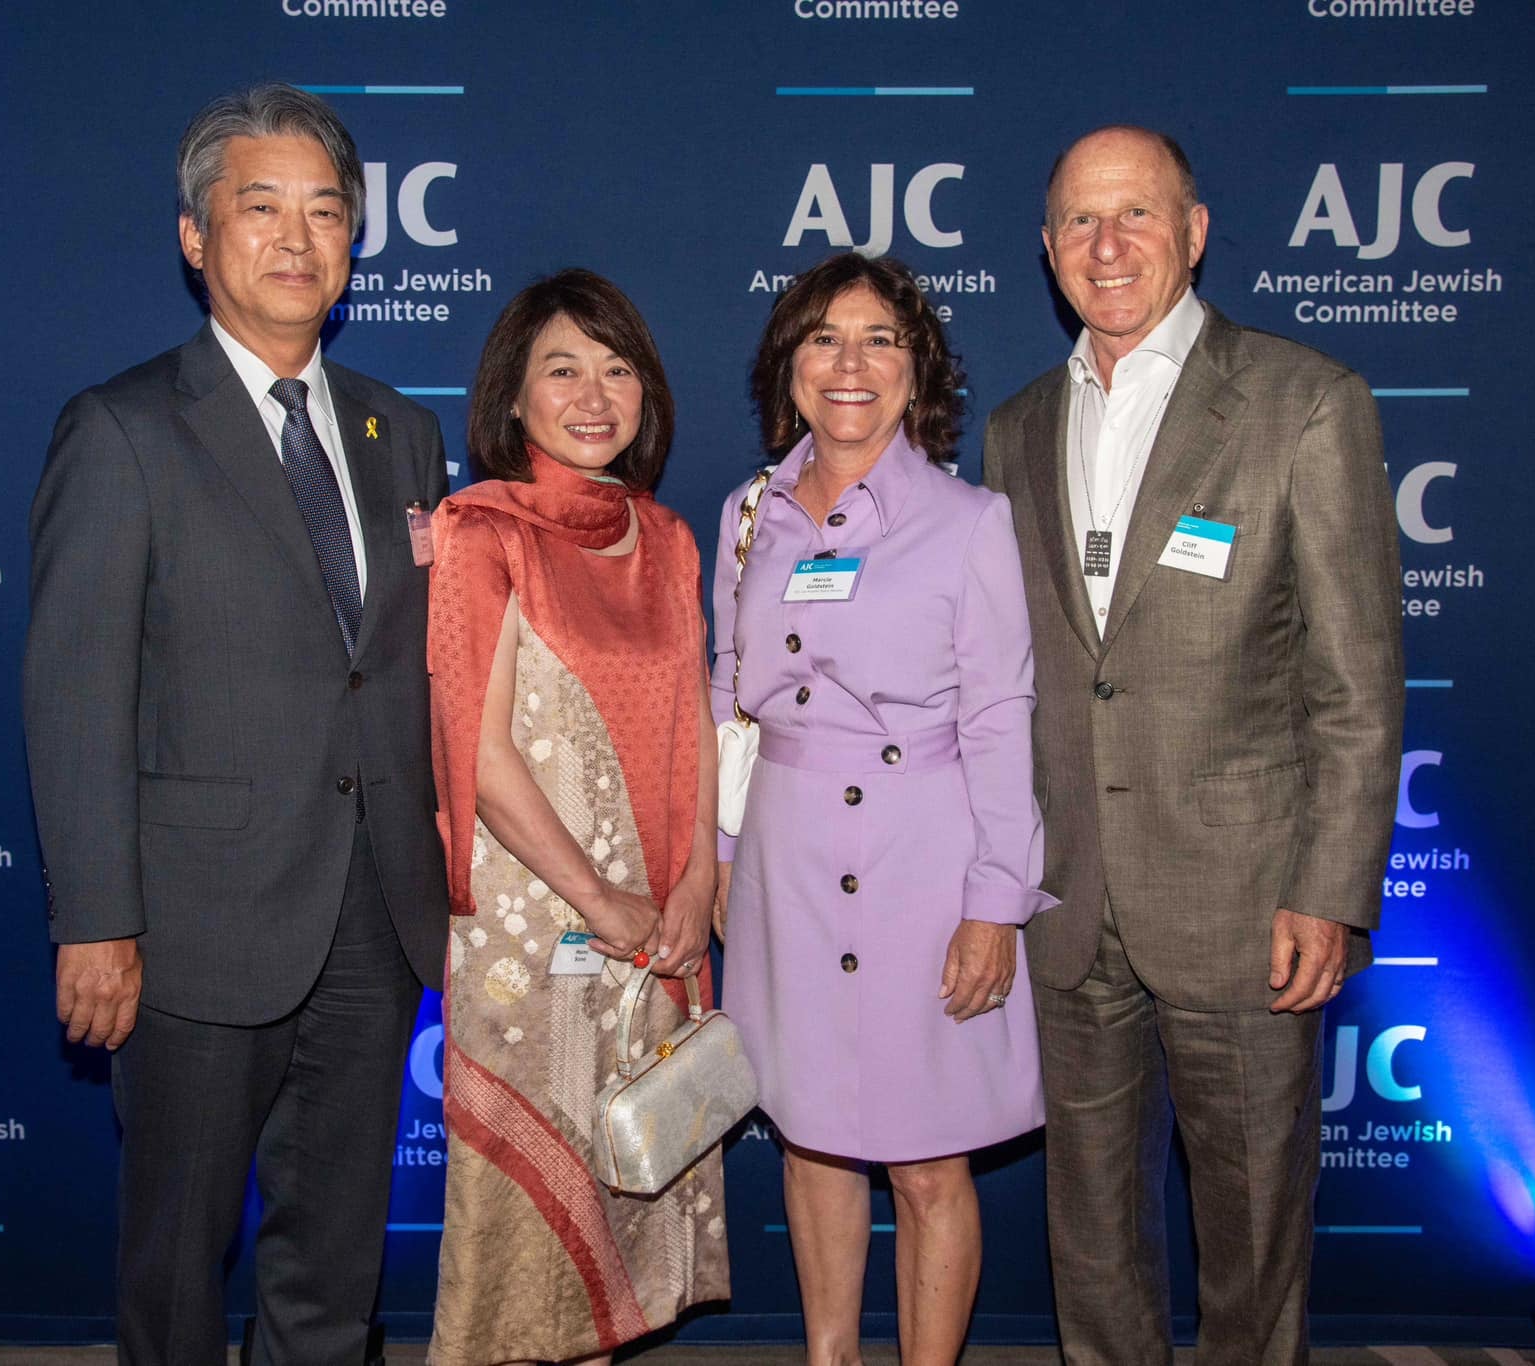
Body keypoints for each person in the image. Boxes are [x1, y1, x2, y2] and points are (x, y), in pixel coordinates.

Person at [21, 83, 447, 1366]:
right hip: (195, 923)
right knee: (176, 1253)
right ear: (197, 238)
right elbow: (73, 687)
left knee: (334, 1253)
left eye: (326, 212)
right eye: (259, 208)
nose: (297, 238)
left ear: (355, 244)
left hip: (373, 914)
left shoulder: (400, 431)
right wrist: (97, 918)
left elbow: (403, 673)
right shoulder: (124, 428)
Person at [983, 125, 1404, 1364]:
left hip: (1242, 906)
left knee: (1252, 1233)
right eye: (1077, 221)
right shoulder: (1013, 429)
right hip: (1069, 904)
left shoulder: (1302, 402)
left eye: (1135, 215)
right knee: (1093, 1234)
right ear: (1046, 245)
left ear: (1194, 230)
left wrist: (1327, 889)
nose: (1105, 246)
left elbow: (1356, 682)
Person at [712, 252, 1054, 1366]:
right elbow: (729, 693)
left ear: (918, 372)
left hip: (924, 856)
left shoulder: (969, 521)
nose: (848, 364)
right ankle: (828, 1356)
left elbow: (1003, 713)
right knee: (809, 1137)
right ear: (788, 366)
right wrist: (721, 855)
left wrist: (995, 900)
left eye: (879, 340)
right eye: (822, 338)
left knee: (923, 1156)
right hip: (785, 860)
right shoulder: (746, 512)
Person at [425, 269, 728, 1366]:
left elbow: (696, 729)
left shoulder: (671, 540)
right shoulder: (479, 531)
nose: (593, 394)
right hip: (536, 924)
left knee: (619, 1212)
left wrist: (692, 892)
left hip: (657, 930)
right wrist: (605, 901)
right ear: (514, 395)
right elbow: (481, 753)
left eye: (616, 369)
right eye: (562, 368)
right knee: (529, 1227)